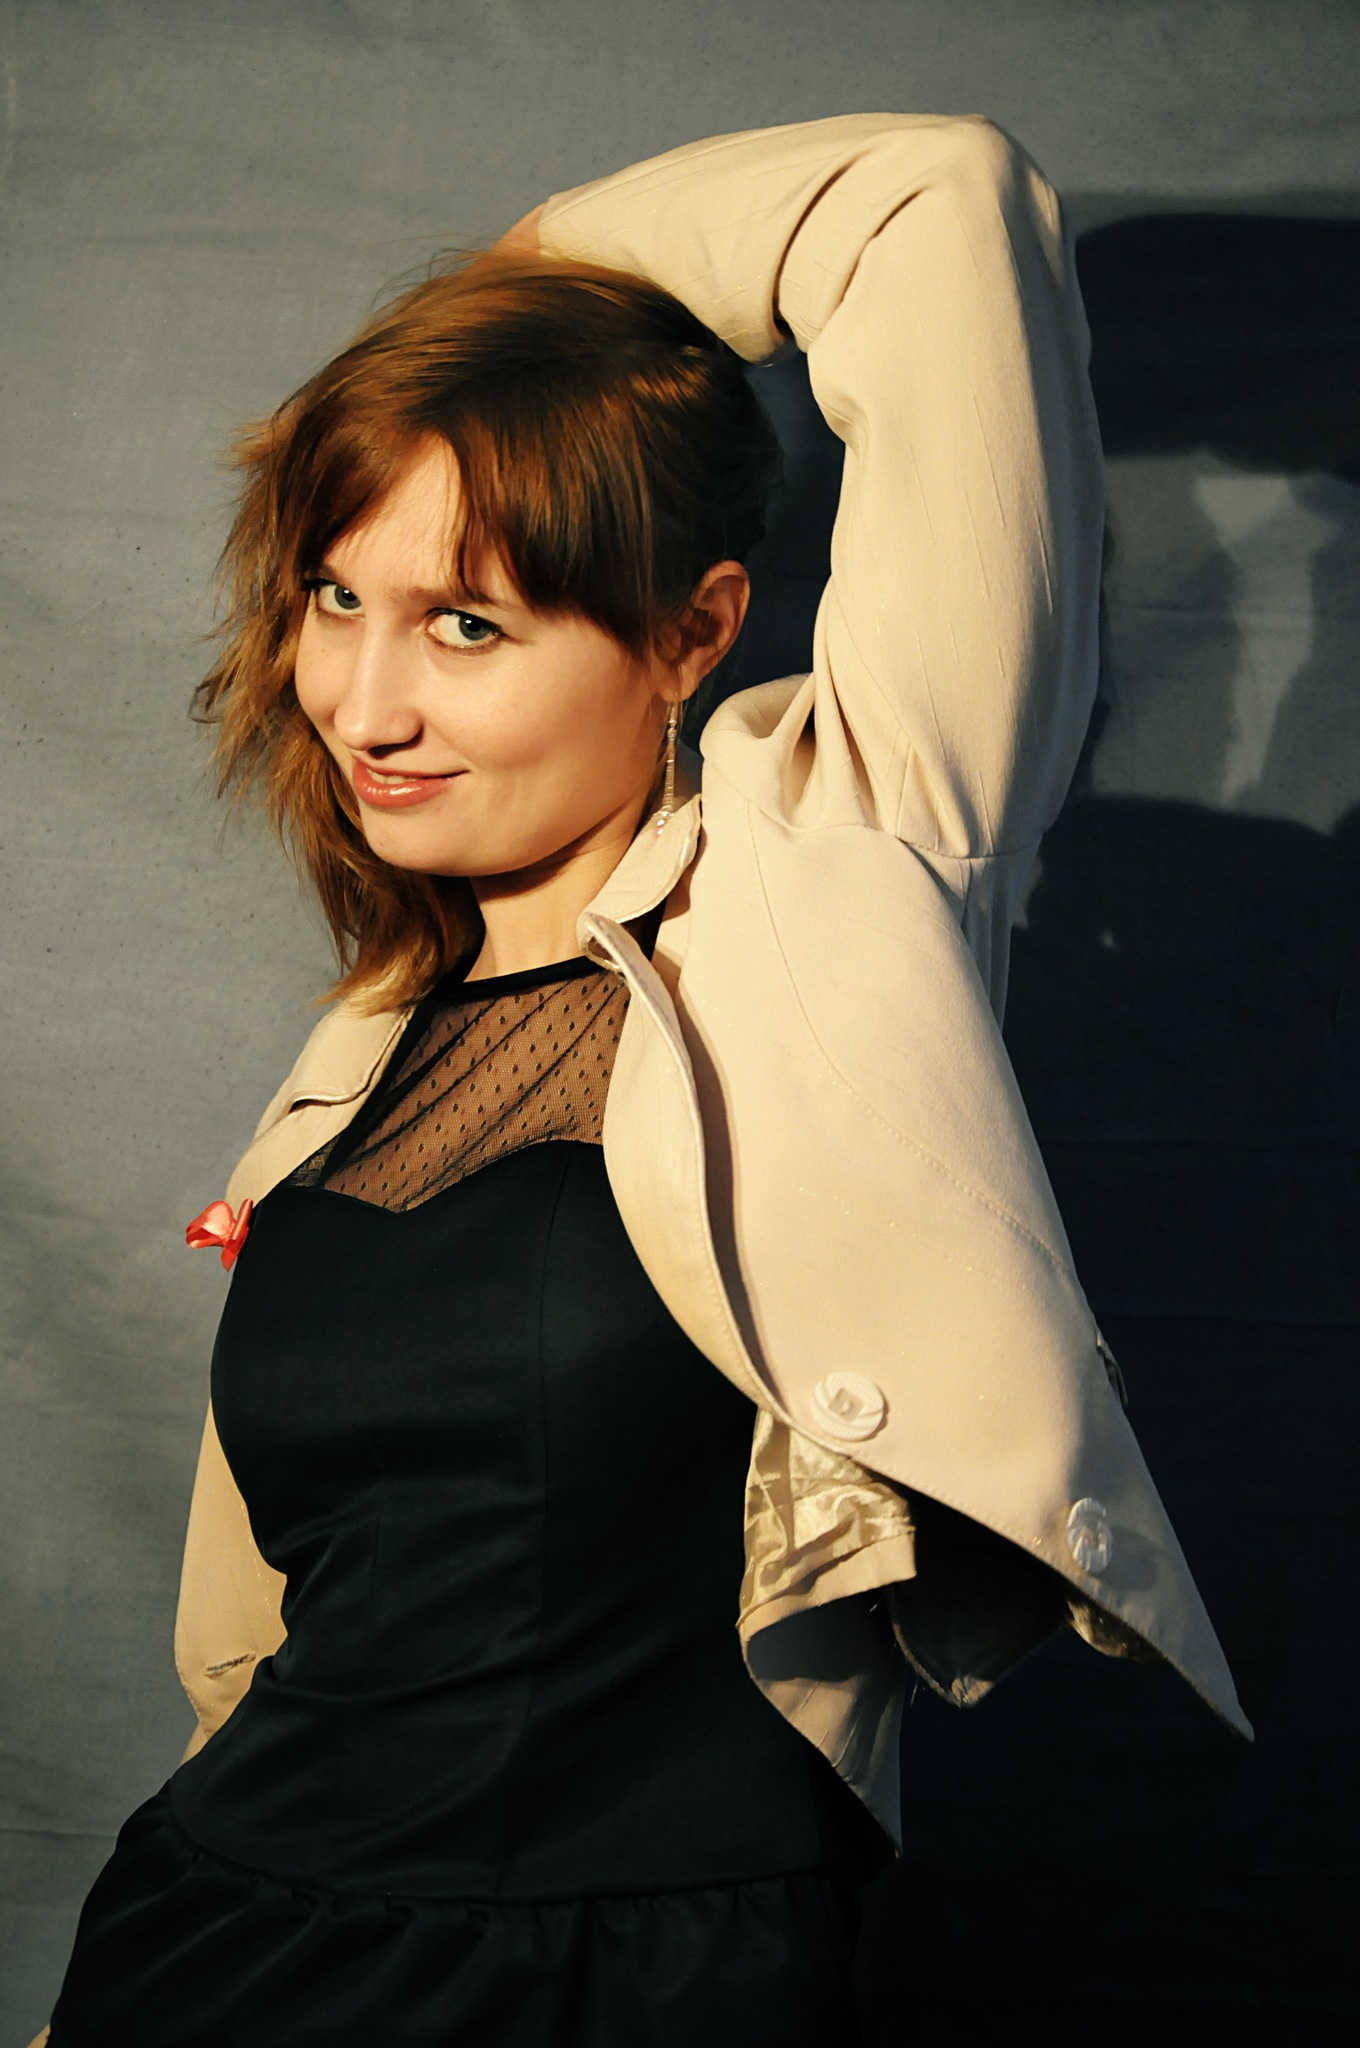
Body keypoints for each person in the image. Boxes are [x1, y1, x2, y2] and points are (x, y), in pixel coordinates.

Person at [35, 110, 1249, 2048]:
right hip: (217, 1943)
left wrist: (518, 272)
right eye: (337, 598)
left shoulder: (842, 869)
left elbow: (932, 199)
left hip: (633, 1978)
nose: (362, 702)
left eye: (466, 623)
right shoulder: (363, 1050)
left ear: (693, 633)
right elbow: (269, 1630)